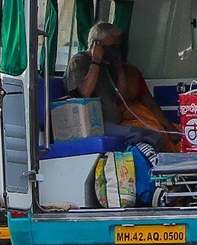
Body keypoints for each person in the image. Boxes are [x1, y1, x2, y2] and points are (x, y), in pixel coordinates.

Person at [65, 22, 172, 152]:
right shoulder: (79, 61)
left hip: (112, 122)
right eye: (112, 47)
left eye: (118, 47)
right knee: (142, 136)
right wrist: (96, 60)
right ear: (96, 45)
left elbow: (123, 96)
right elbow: (84, 92)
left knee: (155, 136)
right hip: (92, 124)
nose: (115, 51)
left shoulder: (107, 66)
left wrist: (119, 67)